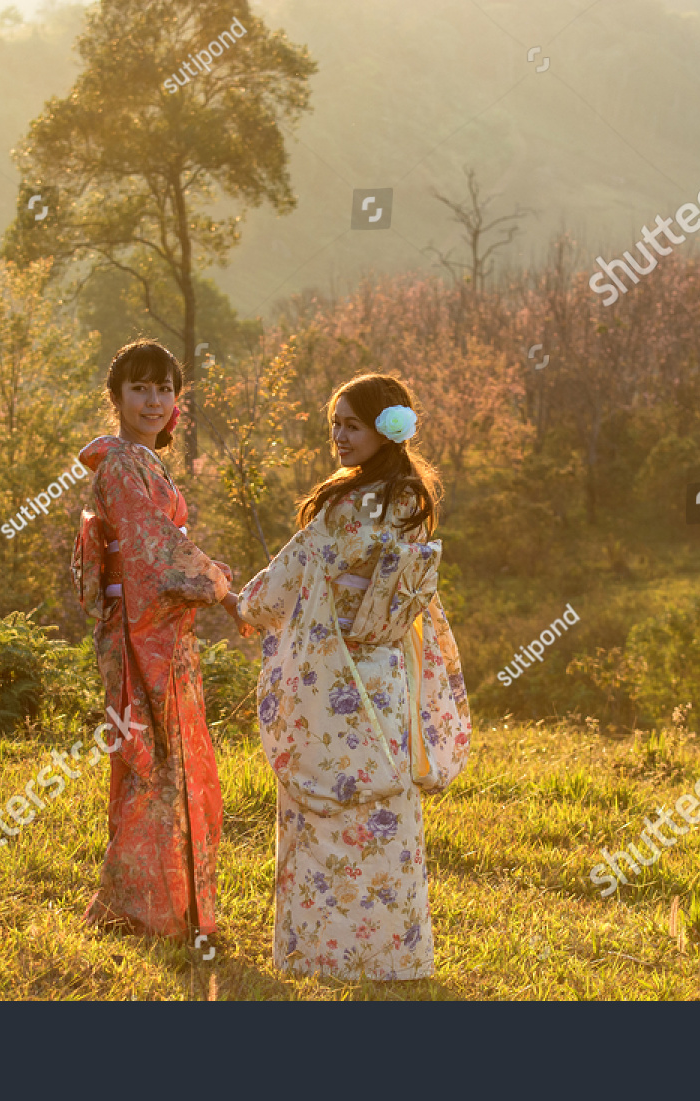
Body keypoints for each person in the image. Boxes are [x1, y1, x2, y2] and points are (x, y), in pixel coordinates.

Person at [235, 373, 472, 979]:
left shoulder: (348, 505)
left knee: (324, 803)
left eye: (352, 424)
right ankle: (393, 955)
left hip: (335, 677)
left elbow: (288, 576)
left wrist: (245, 605)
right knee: (383, 804)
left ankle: (322, 953)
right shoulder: (410, 497)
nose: (339, 436)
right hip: (388, 671)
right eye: (335, 424)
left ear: (383, 428)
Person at [70, 339, 246, 940]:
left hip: (162, 630)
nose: (154, 400)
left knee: (170, 759)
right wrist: (221, 589)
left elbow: (164, 548)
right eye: (140, 388)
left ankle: (164, 907)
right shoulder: (122, 465)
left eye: (164, 388)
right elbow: (152, 549)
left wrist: (211, 571)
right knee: (154, 761)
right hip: (139, 634)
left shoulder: (141, 461)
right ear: (116, 397)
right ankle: (144, 910)